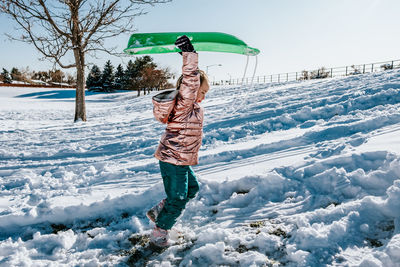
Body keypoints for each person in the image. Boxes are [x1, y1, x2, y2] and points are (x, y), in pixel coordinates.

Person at [147, 35, 210, 247]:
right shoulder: (185, 104)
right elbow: (191, 80)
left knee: (192, 189)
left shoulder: (192, 107)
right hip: (173, 158)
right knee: (178, 199)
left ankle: (160, 212)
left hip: (179, 159)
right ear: (191, 91)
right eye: (201, 92)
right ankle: (160, 232)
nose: (202, 96)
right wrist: (188, 55)